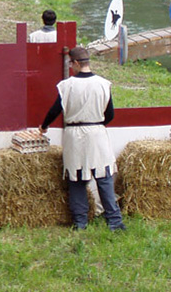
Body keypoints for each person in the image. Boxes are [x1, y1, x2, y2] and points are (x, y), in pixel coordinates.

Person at [40, 47, 125, 232]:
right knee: (104, 177)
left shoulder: (67, 85)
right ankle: (114, 221)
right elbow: (109, 114)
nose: (70, 66)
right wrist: (97, 123)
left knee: (76, 178)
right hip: (97, 132)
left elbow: (55, 110)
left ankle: (80, 222)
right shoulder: (103, 84)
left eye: (71, 63)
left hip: (74, 134)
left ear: (76, 63)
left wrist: (44, 126)